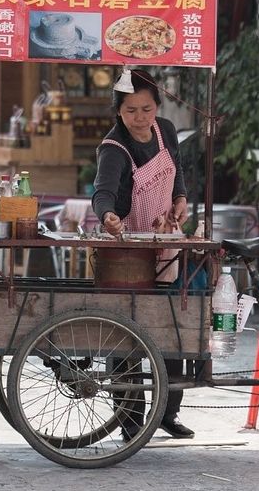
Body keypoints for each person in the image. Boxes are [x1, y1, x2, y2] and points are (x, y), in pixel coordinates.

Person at [92, 69, 192, 440]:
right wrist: (107, 216)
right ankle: (129, 418)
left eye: (146, 109)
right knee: (127, 335)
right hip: (128, 253)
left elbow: (177, 171)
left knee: (173, 327)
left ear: (157, 107)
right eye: (130, 110)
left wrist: (180, 198)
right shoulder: (113, 147)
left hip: (166, 244)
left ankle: (168, 412)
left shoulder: (166, 130)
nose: (139, 118)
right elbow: (102, 192)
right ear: (118, 111)